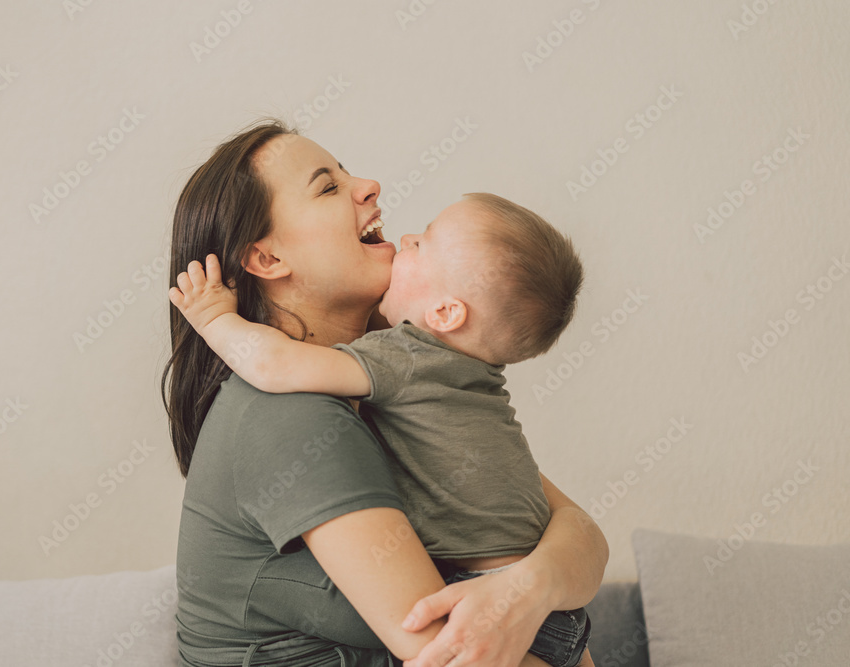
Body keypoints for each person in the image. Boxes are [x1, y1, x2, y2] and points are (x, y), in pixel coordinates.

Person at [163, 119, 608, 667]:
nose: (369, 185)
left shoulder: (410, 380)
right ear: (269, 259)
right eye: (328, 186)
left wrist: (530, 588)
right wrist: (541, 586)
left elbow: (582, 534)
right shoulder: (292, 417)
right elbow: (450, 656)